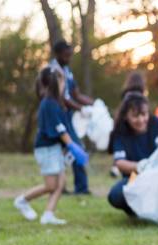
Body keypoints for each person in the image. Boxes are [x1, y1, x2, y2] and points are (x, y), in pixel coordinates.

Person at [13, 67, 88, 225]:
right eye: (63, 82)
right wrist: (74, 147)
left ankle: (48, 214)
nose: (64, 86)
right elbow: (60, 130)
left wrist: (70, 148)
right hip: (46, 150)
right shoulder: (49, 104)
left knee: (60, 183)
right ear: (56, 83)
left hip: (54, 149)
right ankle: (22, 200)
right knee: (51, 185)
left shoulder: (56, 104)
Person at [49, 40, 93, 195]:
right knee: (75, 148)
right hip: (57, 116)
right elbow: (62, 98)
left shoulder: (67, 71)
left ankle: (61, 187)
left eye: (70, 55)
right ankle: (80, 187)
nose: (68, 58)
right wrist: (81, 108)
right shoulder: (53, 71)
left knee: (64, 151)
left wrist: (95, 104)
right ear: (58, 54)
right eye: (66, 55)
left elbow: (76, 94)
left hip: (67, 116)